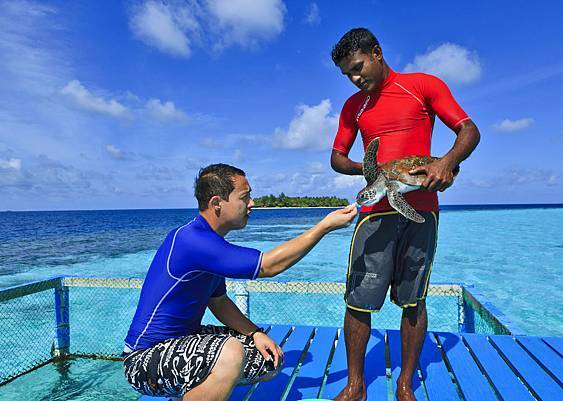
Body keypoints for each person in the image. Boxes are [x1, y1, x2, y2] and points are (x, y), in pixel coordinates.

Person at [329, 28, 480, 401]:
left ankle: (405, 383)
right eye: (347, 73)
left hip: (422, 210)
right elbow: (337, 158)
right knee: (358, 299)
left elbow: (468, 130)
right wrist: (370, 172)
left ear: (377, 53)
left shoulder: (422, 85)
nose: (354, 78)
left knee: (414, 299)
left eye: (359, 67)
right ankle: (355, 386)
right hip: (375, 214)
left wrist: (446, 163)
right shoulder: (353, 107)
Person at [123, 163, 357, 401]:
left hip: (180, 343)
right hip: (144, 359)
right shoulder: (192, 241)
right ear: (217, 204)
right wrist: (324, 226)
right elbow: (269, 266)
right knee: (231, 352)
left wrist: (255, 333)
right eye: (245, 197)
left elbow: (220, 302)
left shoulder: (208, 242)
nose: (252, 203)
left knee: (267, 361)